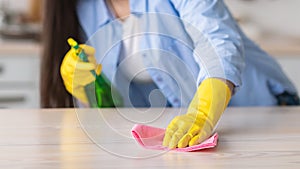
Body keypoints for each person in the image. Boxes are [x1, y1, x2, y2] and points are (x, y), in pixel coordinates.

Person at [41, 0, 299, 148]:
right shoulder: (83, 8)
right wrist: (85, 88)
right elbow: (117, 104)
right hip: (188, 141)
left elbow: (218, 41)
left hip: (264, 117)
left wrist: (202, 112)